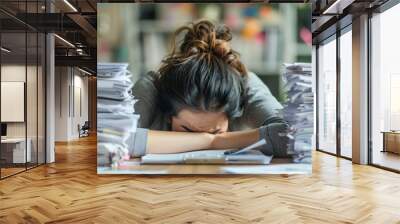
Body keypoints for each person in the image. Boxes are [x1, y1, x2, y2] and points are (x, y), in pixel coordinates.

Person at [129, 20, 289, 158]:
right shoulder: (154, 87)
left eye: (215, 131)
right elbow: (114, 139)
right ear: (169, 115)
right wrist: (211, 140)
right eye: (187, 130)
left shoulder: (244, 85)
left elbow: (290, 135)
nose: (200, 138)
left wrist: (214, 141)